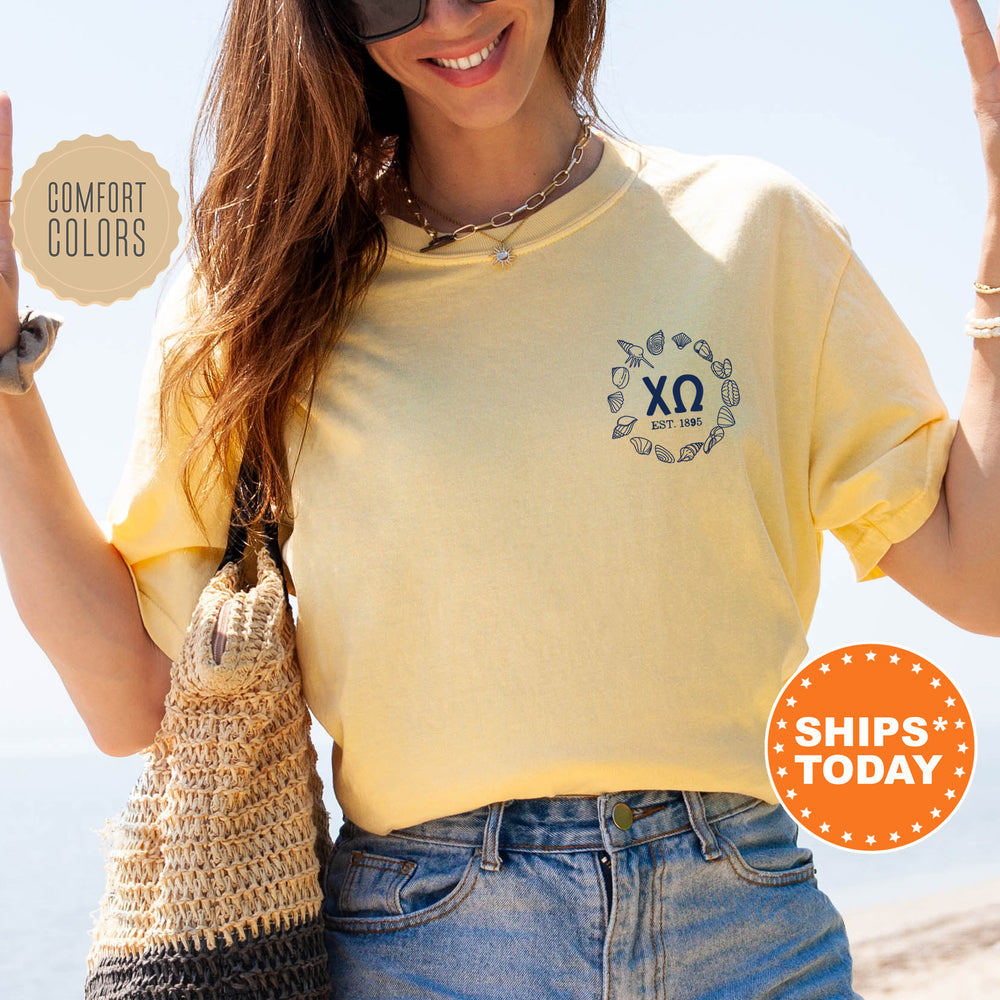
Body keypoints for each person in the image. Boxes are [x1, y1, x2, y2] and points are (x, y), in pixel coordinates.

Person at [1, 1, 999, 997]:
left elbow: (977, 573)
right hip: (422, 945)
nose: (452, 13)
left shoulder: (755, 234)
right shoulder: (260, 295)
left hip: (744, 929)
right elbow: (134, 697)